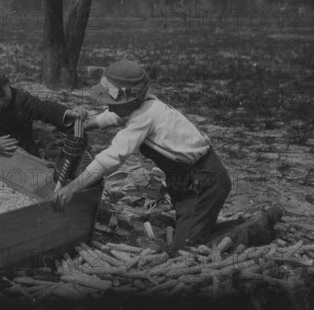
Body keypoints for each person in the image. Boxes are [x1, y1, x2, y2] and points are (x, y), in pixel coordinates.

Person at [53, 60, 232, 250]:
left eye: (113, 103)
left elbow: (111, 158)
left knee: (186, 248)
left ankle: (247, 231)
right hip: (186, 181)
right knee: (192, 229)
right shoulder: (140, 106)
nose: (109, 106)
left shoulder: (144, 117)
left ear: (133, 99)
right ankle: (203, 229)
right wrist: (85, 126)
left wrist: (73, 187)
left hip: (205, 181)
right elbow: (112, 115)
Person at [0, 63, 85, 160]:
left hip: (26, 156)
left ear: (8, 82)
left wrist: (68, 113)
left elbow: (43, 108)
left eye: (3, 95)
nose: (1, 102)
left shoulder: (20, 100)